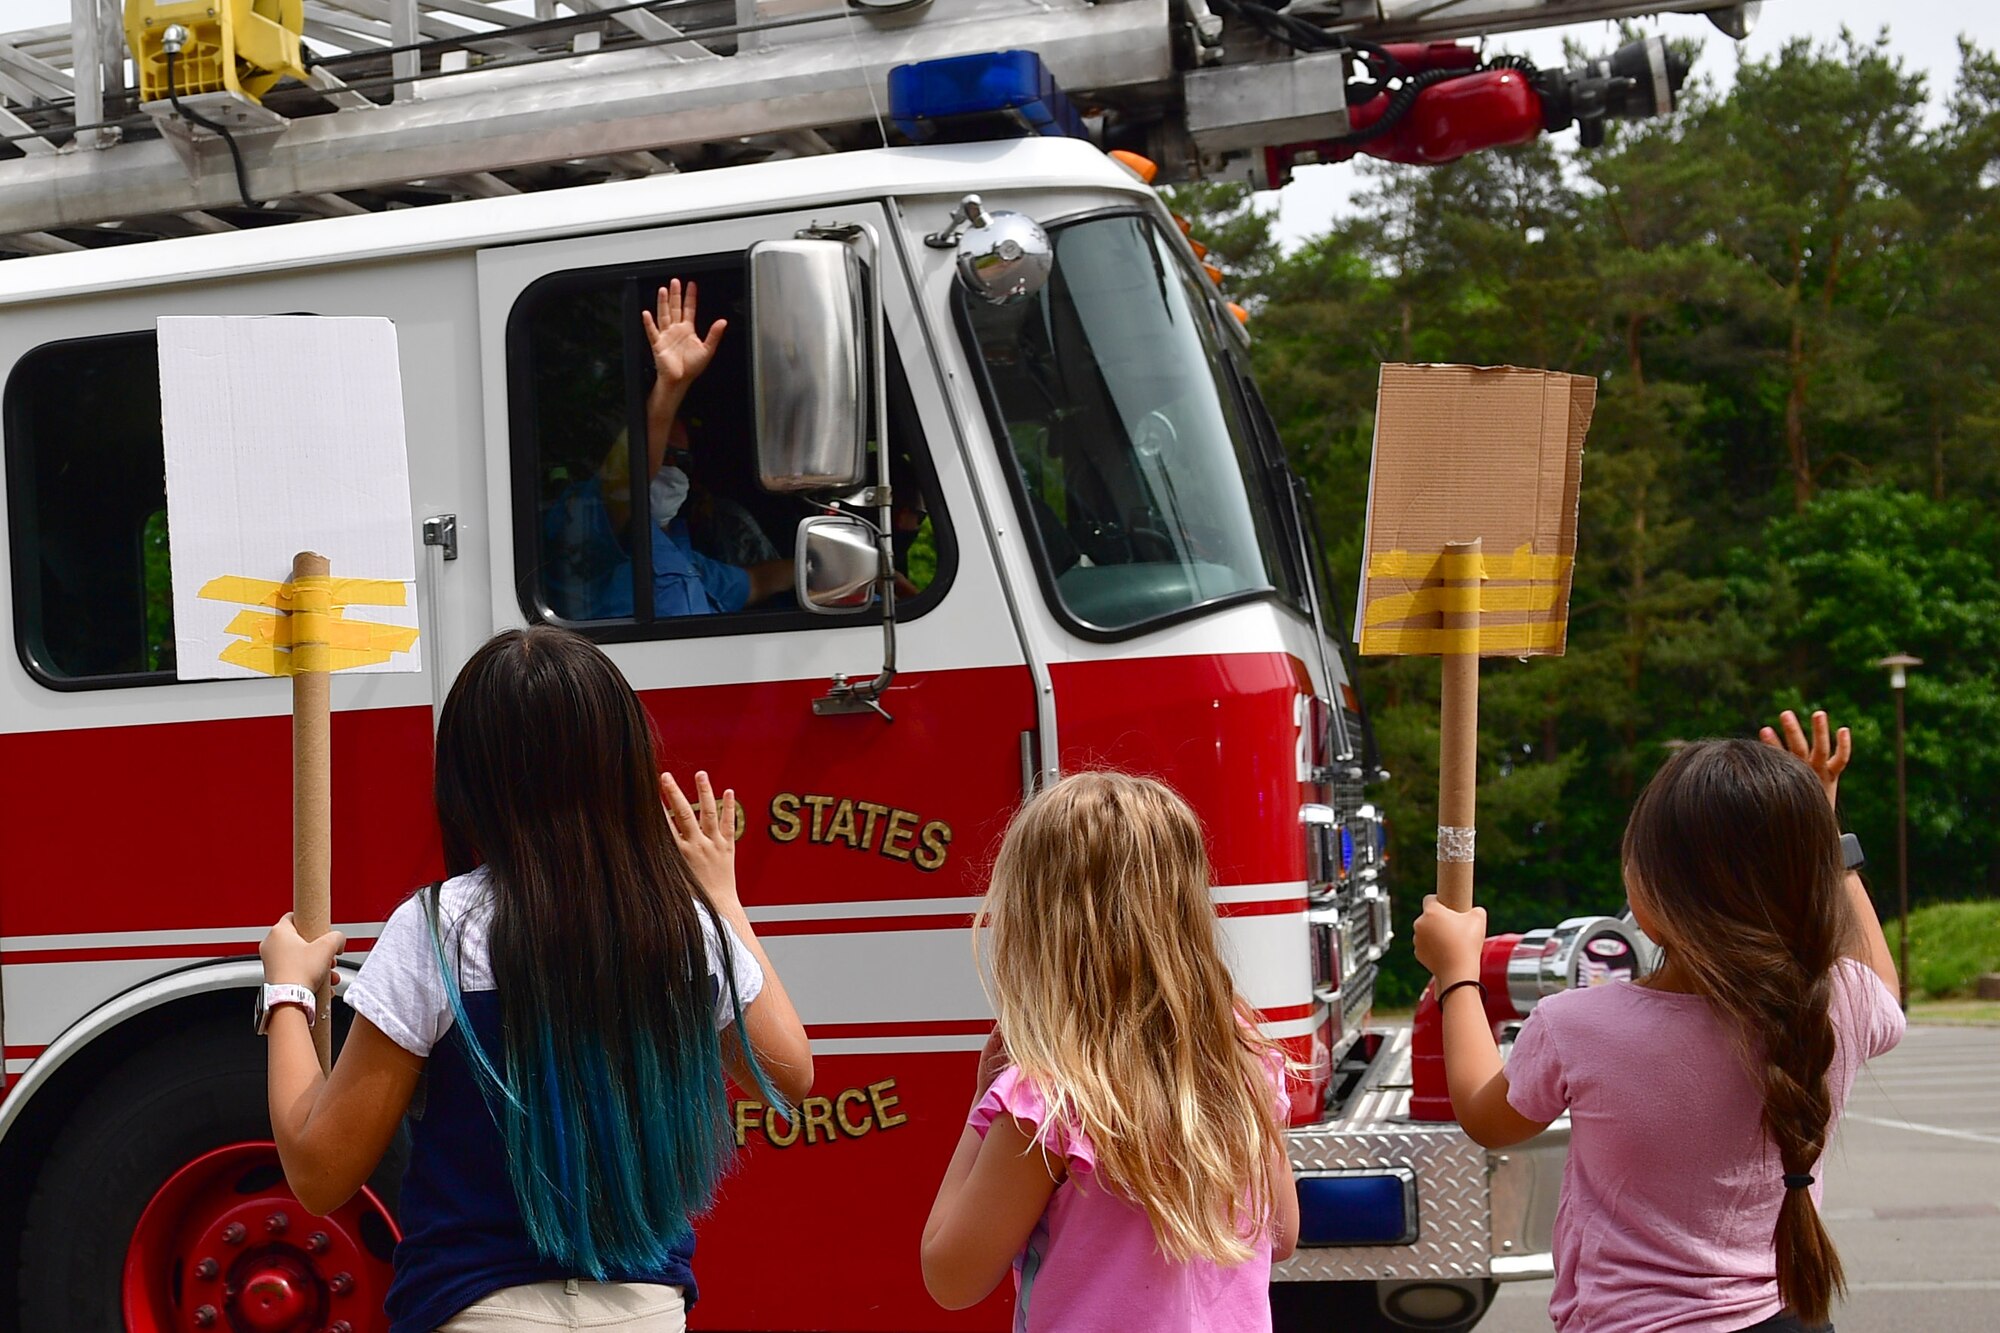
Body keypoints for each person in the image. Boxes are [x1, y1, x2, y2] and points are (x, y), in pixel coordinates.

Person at [256, 626, 812, 1332]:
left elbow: (318, 1172)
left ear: (469, 777)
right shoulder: (685, 924)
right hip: (646, 1310)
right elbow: (792, 1070)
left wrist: (288, 992)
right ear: (625, 760)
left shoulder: (439, 926)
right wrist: (723, 902)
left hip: (476, 1305)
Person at [1413, 710, 1905, 1333]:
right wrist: (1821, 831)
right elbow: (1882, 984)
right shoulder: (1840, 1002)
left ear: (1651, 895)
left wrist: (1458, 974)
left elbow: (1488, 1117)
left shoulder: (1580, 1026)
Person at [920, 772, 1300, 1333]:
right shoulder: (1241, 1058)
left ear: (1036, 925)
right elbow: (1282, 1236)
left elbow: (951, 1277)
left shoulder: (1049, 1097)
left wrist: (981, 1105)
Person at [545, 280, 790, 620]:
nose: (669, 467)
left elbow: (758, 581)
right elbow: (624, 482)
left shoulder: (681, 551)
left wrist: (827, 567)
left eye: (682, 461)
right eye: (664, 452)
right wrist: (670, 387)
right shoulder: (588, 527)